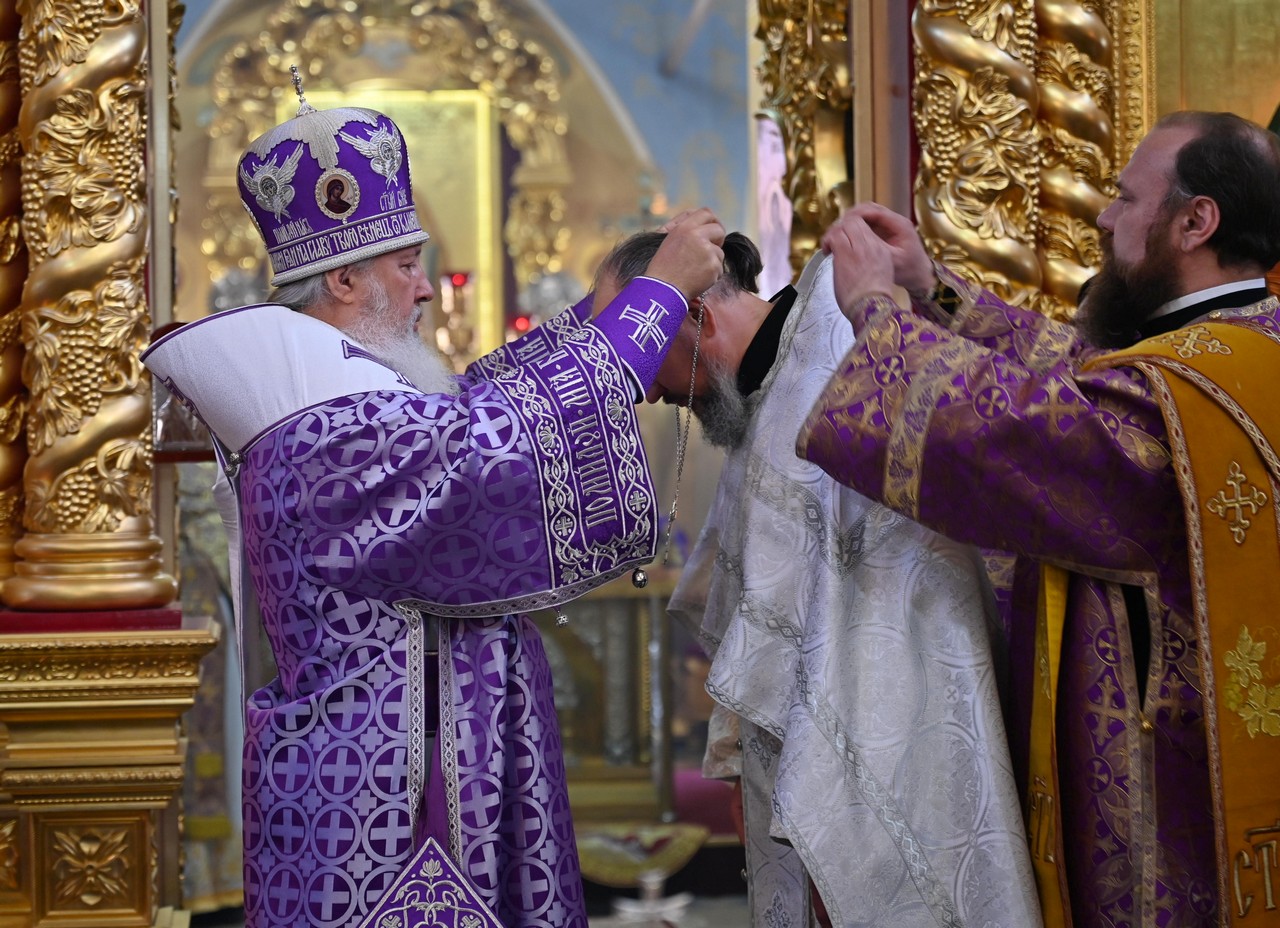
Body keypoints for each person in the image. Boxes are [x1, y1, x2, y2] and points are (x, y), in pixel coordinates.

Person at [143, 89, 724, 928]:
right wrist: (659, 295)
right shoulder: (329, 425)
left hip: (406, 780)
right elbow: (493, 448)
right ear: (345, 278)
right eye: (408, 264)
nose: (425, 288)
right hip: (381, 812)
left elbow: (477, 403)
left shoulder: (343, 396)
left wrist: (603, 314)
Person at [797, 110, 1280, 927]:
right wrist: (932, 288)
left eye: (1127, 198)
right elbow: (1084, 378)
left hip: (1180, 806)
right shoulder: (1246, 350)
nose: (1105, 217)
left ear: (1196, 221)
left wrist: (878, 309)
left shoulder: (1176, 403)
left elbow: (1018, 430)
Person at [594, 225, 1042, 927]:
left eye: (643, 349)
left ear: (693, 315)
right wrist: (743, 765)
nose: (647, 390)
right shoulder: (764, 397)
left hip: (908, 745)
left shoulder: (833, 357)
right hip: (818, 759)